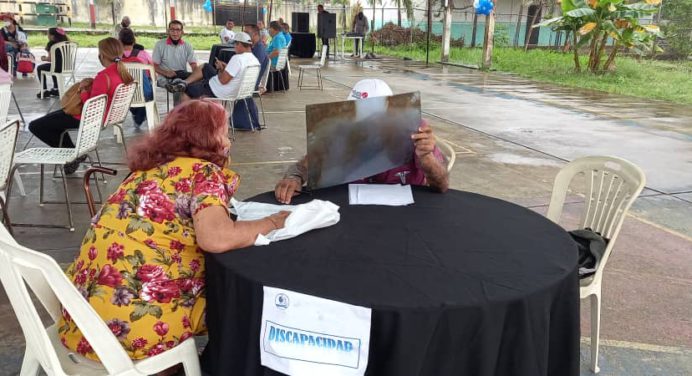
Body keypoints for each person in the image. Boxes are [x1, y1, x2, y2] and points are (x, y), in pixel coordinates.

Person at [57, 98, 290, 363]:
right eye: (224, 134)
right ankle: (186, 365)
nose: (228, 142)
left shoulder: (145, 171)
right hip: (132, 332)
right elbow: (217, 238)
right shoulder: (203, 172)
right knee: (238, 302)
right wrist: (272, 222)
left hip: (83, 319)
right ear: (209, 138)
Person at [275, 79, 449, 204]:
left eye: (374, 119)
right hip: (352, 212)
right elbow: (306, 164)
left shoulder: (413, 130)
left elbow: (441, 185)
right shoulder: (342, 129)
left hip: (406, 214)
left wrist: (427, 158)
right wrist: (294, 177)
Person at [28, 38, 134, 174]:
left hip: (89, 117)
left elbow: (92, 105)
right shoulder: (122, 72)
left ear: (102, 55)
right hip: (107, 116)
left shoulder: (104, 76)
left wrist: (83, 91)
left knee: (36, 125)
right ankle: (73, 153)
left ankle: (73, 154)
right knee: (52, 121)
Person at [166, 32, 259, 102]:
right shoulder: (255, 60)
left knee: (188, 91)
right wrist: (225, 67)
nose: (234, 47)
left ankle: (185, 120)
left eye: (235, 44)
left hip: (219, 90)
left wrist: (220, 69)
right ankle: (185, 82)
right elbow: (237, 74)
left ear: (239, 44)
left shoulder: (237, 58)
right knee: (205, 67)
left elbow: (223, 80)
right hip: (238, 91)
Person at [152, 20, 198, 101]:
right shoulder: (160, 45)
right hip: (164, 78)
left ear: (182, 32)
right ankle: (178, 111)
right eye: (172, 30)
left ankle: (187, 109)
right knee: (179, 86)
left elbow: (194, 65)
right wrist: (166, 73)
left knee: (187, 83)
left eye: (178, 30)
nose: (175, 33)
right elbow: (153, 66)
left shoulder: (187, 46)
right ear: (168, 31)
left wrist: (196, 75)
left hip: (181, 76)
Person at [119, 28, 154, 128]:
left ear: (120, 42)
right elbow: (153, 74)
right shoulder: (144, 54)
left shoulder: (117, 58)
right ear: (134, 41)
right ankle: (140, 116)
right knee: (146, 93)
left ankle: (137, 114)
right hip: (144, 94)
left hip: (123, 95)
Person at [35, 27, 68, 98]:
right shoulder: (66, 43)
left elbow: (50, 59)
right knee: (53, 66)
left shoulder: (52, 44)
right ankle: (56, 89)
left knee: (40, 68)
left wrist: (44, 58)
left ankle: (44, 90)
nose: (48, 36)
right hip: (66, 67)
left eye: (48, 34)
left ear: (52, 36)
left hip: (57, 67)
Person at [266, 21, 287, 92]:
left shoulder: (277, 38)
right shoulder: (280, 36)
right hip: (278, 63)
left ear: (274, 29)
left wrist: (266, 58)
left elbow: (276, 51)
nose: (268, 30)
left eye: (270, 28)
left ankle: (259, 88)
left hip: (273, 63)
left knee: (257, 66)